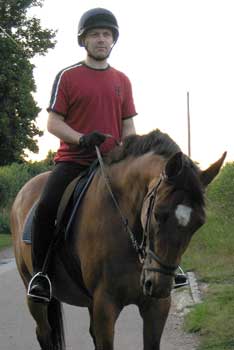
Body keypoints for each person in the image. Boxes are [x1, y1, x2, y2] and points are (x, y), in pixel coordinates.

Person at [27, 7, 137, 302]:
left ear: (113, 40)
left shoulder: (122, 81)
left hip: (113, 163)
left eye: (106, 34)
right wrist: (81, 139)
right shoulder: (68, 77)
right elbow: (53, 122)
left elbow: (128, 126)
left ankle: (163, 267)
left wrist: (131, 150)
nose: (101, 39)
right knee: (47, 205)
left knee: (149, 199)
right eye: (95, 35)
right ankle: (41, 275)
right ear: (84, 40)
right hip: (74, 162)